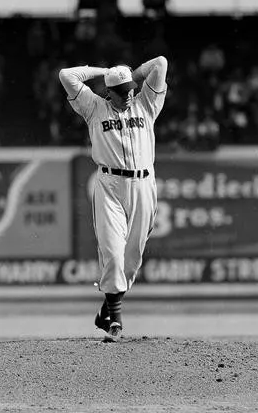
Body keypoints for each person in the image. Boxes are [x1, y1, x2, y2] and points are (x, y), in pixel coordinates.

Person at [58, 55, 168, 342]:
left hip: (144, 184)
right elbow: (66, 74)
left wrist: (131, 74)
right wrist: (104, 71)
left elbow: (161, 62)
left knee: (132, 259)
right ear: (108, 93)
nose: (129, 94)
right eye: (122, 91)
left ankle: (106, 308)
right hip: (109, 184)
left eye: (131, 88)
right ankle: (115, 322)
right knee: (113, 251)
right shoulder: (94, 108)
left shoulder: (146, 104)